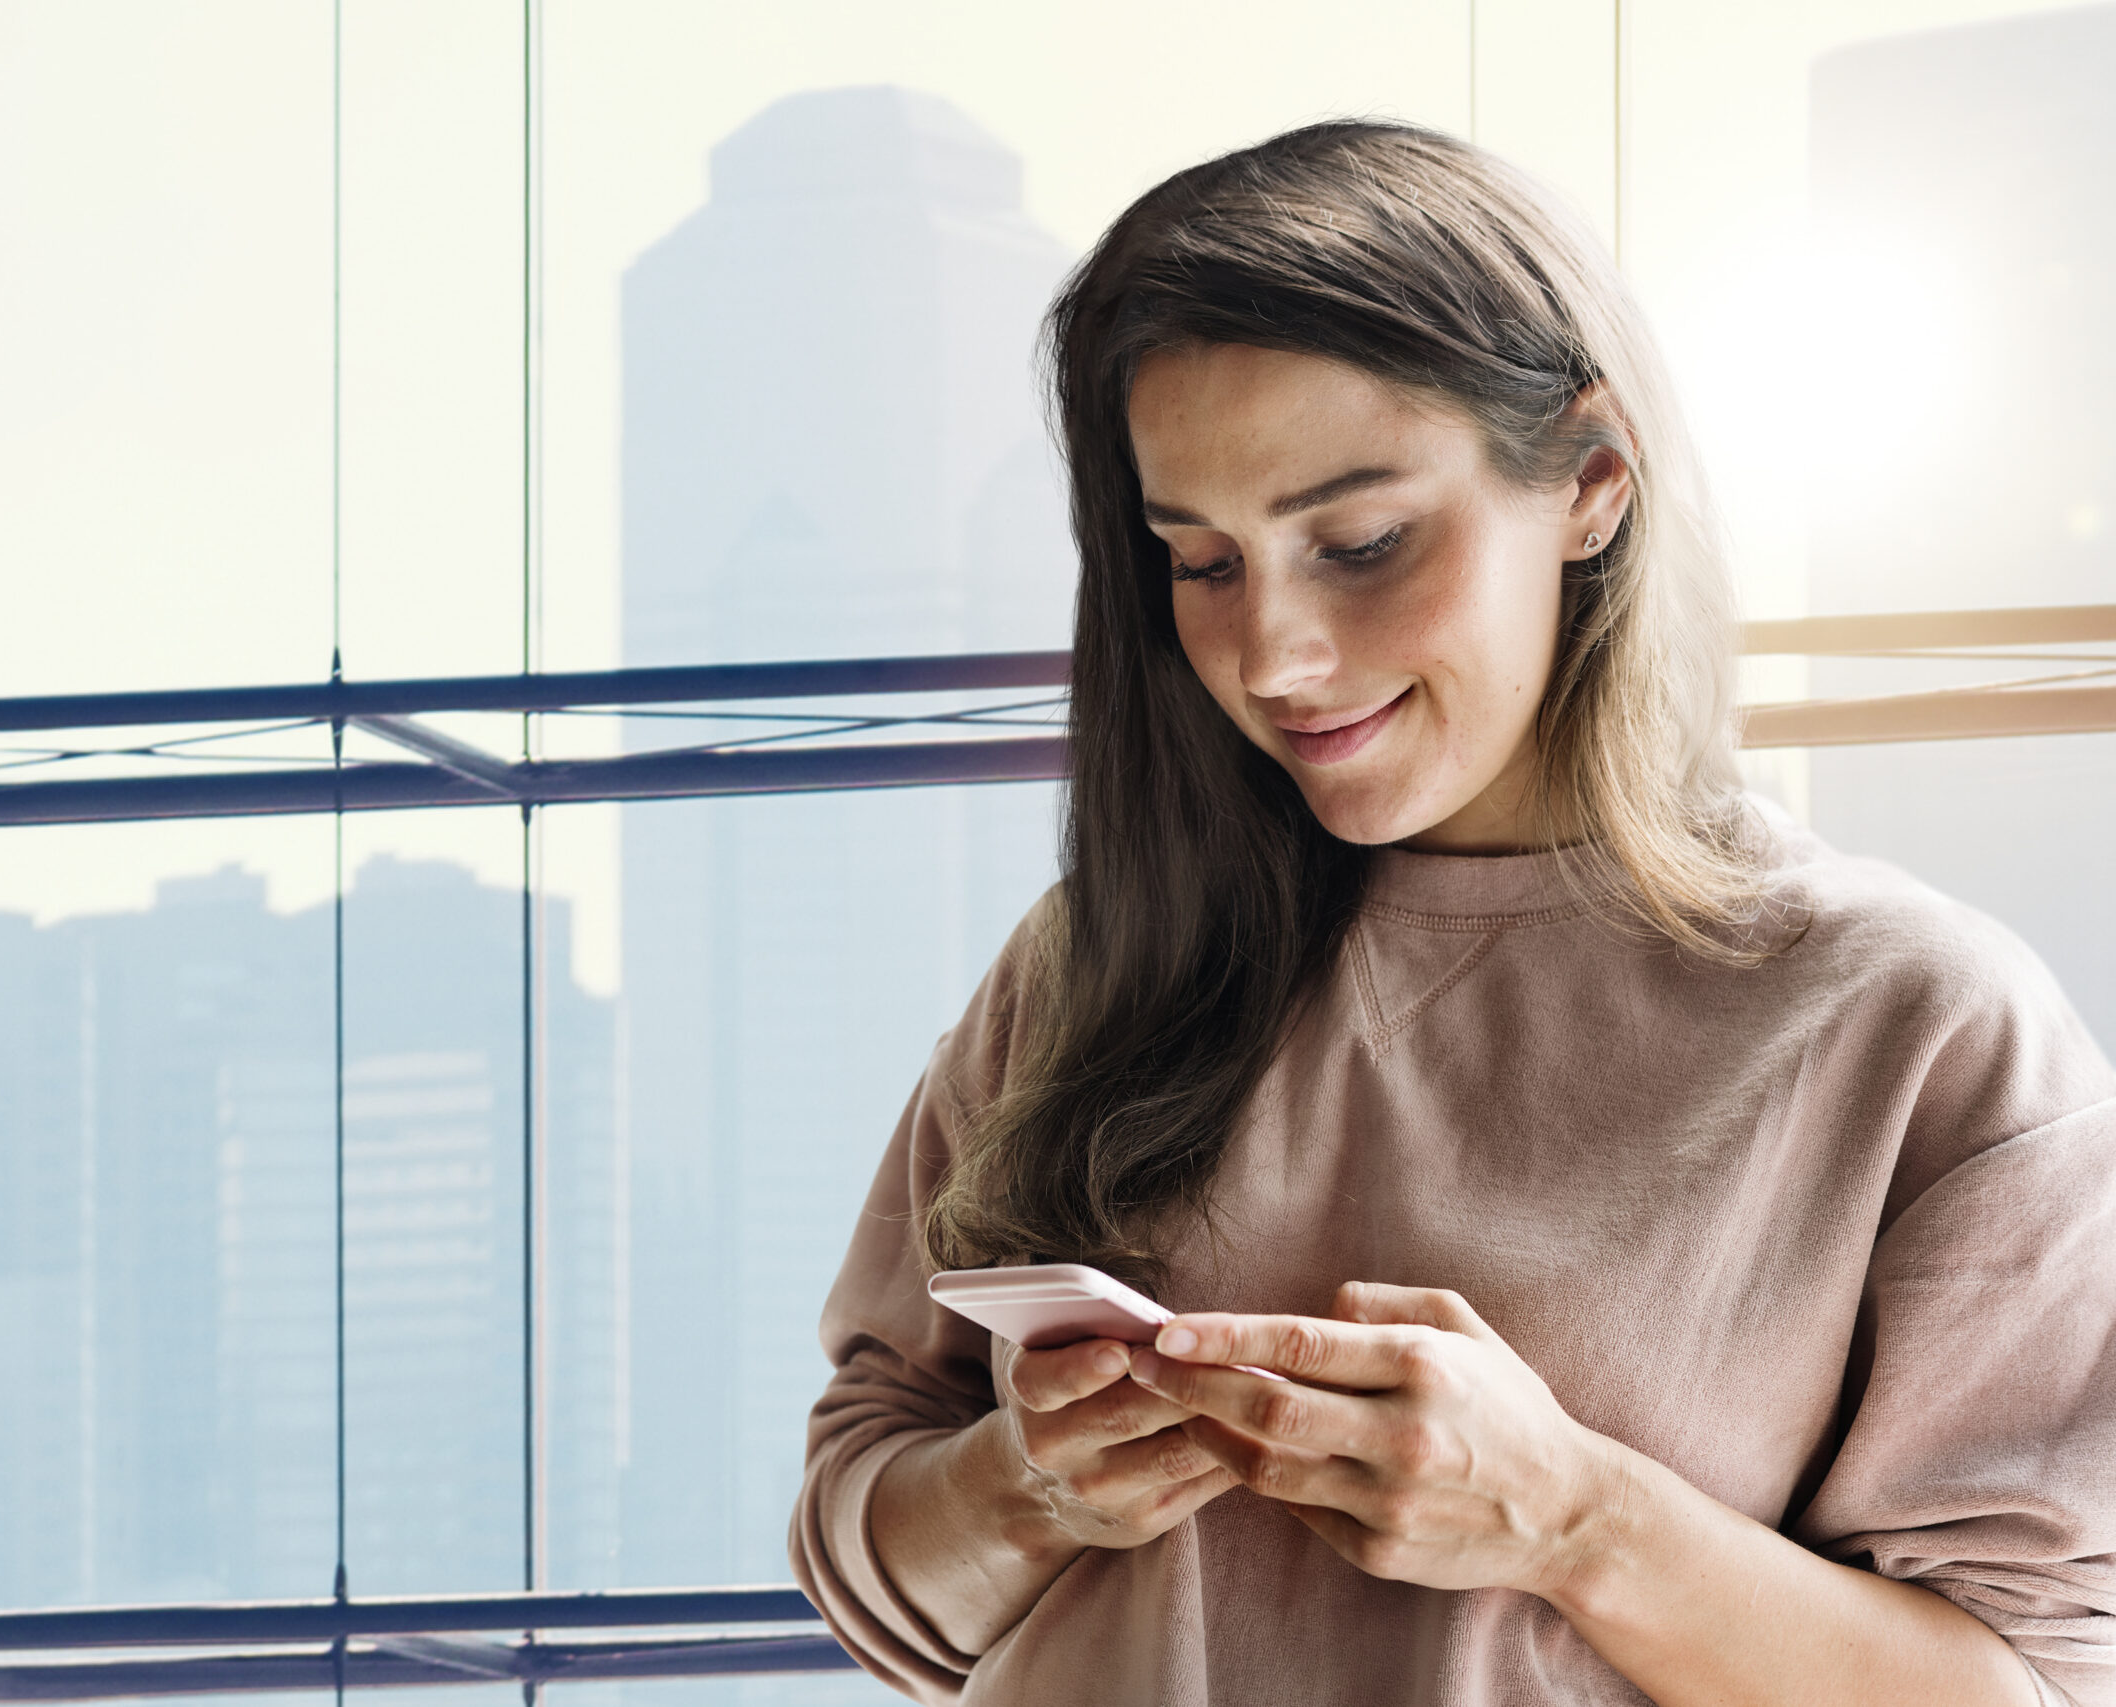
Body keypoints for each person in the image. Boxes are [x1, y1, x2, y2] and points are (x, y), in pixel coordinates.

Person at [787, 120, 2115, 1706]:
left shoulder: (1917, 1025)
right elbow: (872, 1534)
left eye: (1358, 543)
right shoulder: (1096, 964)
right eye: (1201, 563)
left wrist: (1576, 1521)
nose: (1273, 655)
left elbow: (2028, 1683)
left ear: (1593, 485)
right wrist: (1027, 1487)